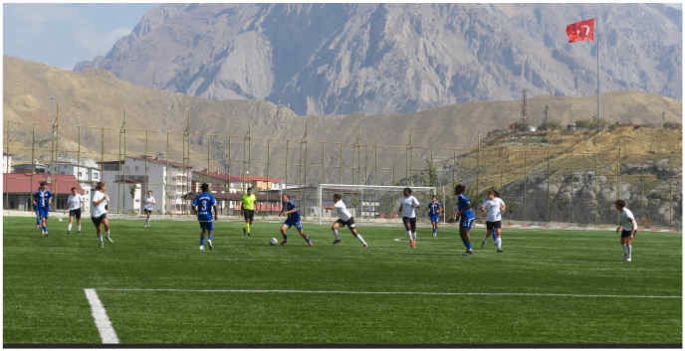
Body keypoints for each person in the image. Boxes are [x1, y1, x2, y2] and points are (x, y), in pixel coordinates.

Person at [192, 183, 218, 252]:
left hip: (200, 216)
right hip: (208, 216)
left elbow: (193, 205)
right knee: (211, 230)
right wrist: (216, 215)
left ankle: (201, 246)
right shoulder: (210, 196)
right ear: (207, 189)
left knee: (203, 231)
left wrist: (196, 212)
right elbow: (214, 205)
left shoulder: (198, 196)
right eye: (209, 188)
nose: (210, 189)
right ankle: (209, 240)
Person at [454, 184, 475, 256]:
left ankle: (470, 249)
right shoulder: (459, 197)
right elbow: (461, 208)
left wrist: (460, 212)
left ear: (458, 190)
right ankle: (469, 249)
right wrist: (458, 215)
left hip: (467, 216)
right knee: (461, 233)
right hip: (464, 217)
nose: (455, 190)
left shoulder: (461, 196)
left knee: (465, 232)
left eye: (456, 189)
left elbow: (468, 204)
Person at [91, 182, 114, 247]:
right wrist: (102, 199)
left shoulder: (106, 195)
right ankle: (101, 242)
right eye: (104, 186)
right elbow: (94, 203)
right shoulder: (96, 193)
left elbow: (107, 204)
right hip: (95, 214)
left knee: (106, 224)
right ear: (101, 187)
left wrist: (108, 207)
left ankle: (107, 236)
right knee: (99, 229)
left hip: (103, 213)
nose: (105, 188)